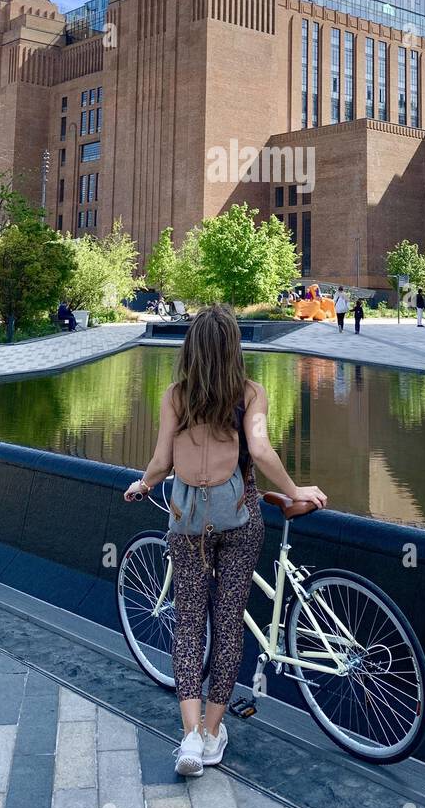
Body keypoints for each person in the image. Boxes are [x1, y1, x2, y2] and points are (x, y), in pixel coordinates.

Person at [123, 305, 326, 777]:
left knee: (190, 623)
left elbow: (160, 462)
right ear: (235, 348)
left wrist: (142, 486)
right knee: (229, 621)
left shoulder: (175, 395)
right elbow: (258, 449)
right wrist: (295, 492)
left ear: (190, 347)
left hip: (188, 523)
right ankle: (215, 732)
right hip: (239, 520)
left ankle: (190, 737)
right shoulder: (251, 392)